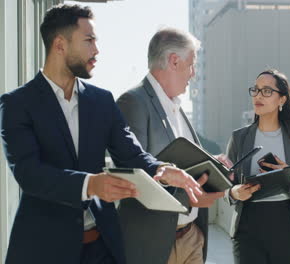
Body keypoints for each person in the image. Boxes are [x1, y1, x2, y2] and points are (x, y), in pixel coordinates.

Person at [0, 5, 202, 264]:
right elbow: (29, 174)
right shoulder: (17, 104)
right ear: (60, 44)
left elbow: (131, 154)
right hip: (43, 249)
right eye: (89, 40)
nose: (96, 50)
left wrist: (160, 169)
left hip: (101, 247)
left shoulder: (102, 101)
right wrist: (90, 184)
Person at [116, 28, 229, 264]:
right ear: (174, 61)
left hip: (192, 238)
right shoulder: (133, 102)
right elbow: (136, 176)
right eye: (191, 65)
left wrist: (211, 164)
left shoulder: (178, 107)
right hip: (156, 246)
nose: (193, 73)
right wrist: (192, 198)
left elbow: (182, 161)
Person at [226, 69, 290, 264]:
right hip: (247, 224)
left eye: (266, 91)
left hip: (286, 225)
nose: (258, 96)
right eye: (256, 90)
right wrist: (234, 192)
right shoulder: (239, 138)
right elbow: (225, 184)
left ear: (281, 100)